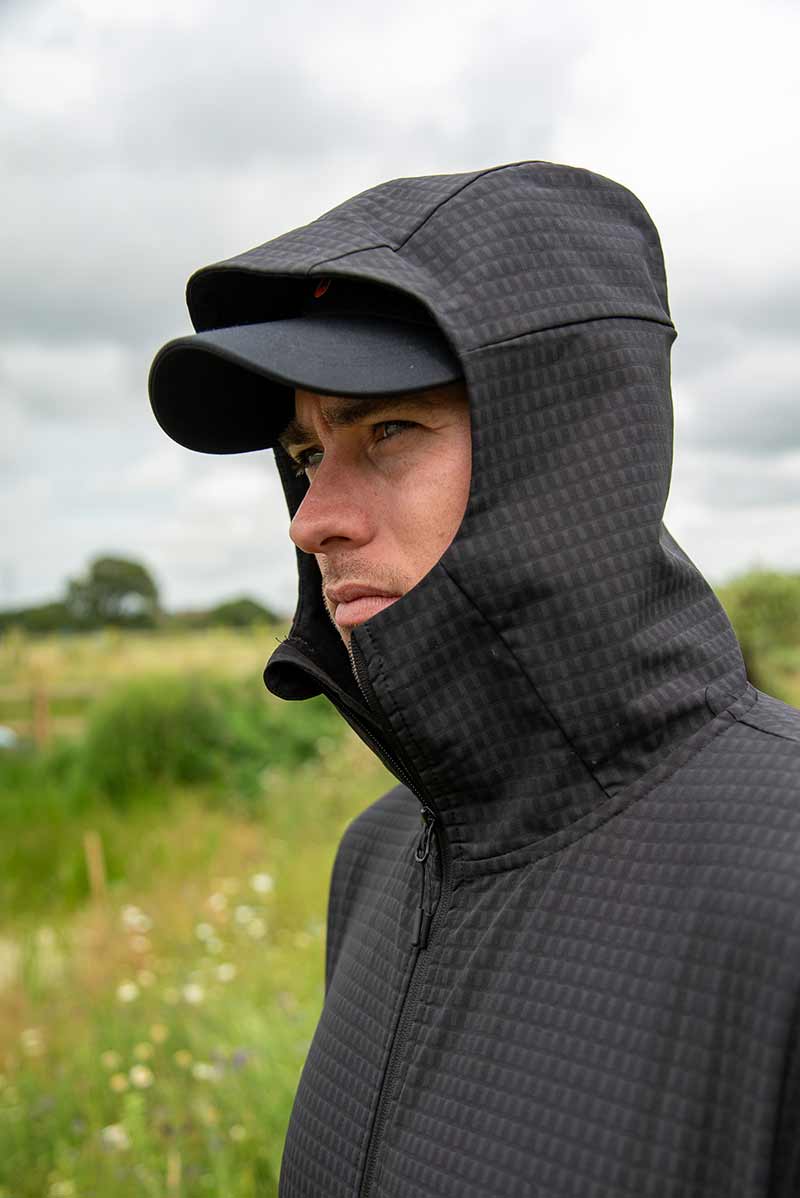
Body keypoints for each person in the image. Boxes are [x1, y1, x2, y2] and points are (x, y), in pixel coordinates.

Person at [149, 161, 800, 1198]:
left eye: (387, 431)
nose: (311, 519)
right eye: (306, 453)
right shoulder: (374, 859)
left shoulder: (781, 869)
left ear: (564, 449)